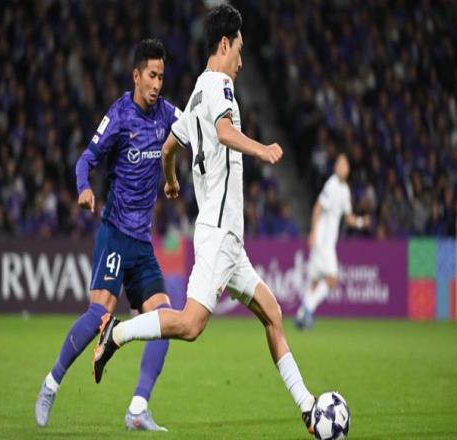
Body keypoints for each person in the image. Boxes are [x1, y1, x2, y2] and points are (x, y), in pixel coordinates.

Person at [92, 5, 317, 436]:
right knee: (191, 324)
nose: (242, 61)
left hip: (229, 239)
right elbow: (225, 132)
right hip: (218, 231)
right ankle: (116, 333)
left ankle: (308, 408)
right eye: (240, 50)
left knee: (272, 314)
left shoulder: (196, 92)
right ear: (225, 44)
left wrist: (171, 180)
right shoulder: (220, 86)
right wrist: (263, 149)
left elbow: (168, 148)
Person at [35, 38, 182, 431]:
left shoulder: (166, 112)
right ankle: (50, 384)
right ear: (136, 76)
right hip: (115, 234)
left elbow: (190, 130)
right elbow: (86, 158)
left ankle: (137, 409)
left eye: (161, 77)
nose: (157, 84)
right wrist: (84, 187)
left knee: (165, 321)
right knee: (99, 314)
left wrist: (174, 177)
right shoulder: (119, 115)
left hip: (142, 243)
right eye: (151, 76)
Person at [295, 153, 370, 329]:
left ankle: (301, 315)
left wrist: (361, 222)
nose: (341, 167)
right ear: (336, 167)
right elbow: (317, 207)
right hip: (323, 241)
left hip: (326, 242)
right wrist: (313, 232)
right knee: (332, 279)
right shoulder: (332, 185)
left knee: (315, 282)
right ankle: (307, 309)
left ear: (348, 169)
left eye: (344, 164)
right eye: (339, 164)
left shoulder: (345, 190)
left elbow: (348, 218)